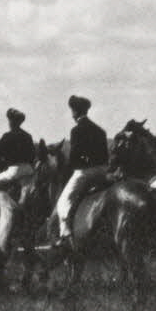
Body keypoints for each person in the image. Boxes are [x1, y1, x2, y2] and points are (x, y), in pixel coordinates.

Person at [53, 95, 109, 245]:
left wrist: (70, 167)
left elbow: (74, 158)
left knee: (63, 203)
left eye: (72, 111)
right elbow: (105, 156)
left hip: (85, 173)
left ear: (75, 111)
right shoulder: (100, 131)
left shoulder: (76, 130)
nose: (72, 114)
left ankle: (65, 236)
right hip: (102, 171)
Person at [0, 108, 37, 192]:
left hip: (14, 170)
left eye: (10, 121)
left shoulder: (7, 136)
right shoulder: (28, 136)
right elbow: (33, 156)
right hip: (29, 170)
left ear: (12, 122)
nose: (9, 123)